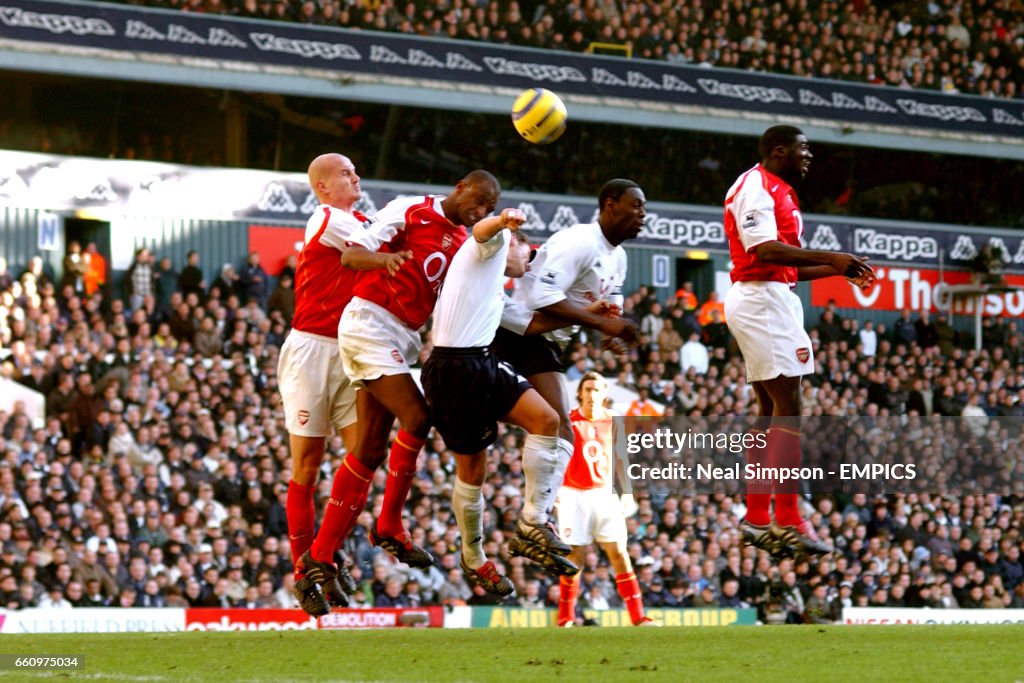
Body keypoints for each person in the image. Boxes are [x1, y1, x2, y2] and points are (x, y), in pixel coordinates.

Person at [298, 170, 502, 611]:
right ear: (461, 187)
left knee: (369, 450)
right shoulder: (410, 209)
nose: (480, 212)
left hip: (403, 338)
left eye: (489, 208)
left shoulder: (464, 242)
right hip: (369, 323)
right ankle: (389, 524)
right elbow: (352, 257)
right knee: (418, 416)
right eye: (479, 200)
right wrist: (384, 261)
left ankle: (318, 557)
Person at [421, 213, 594, 596]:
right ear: (511, 241)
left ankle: (533, 520)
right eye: (525, 249)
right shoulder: (490, 247)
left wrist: (593, 317)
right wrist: (500, 222)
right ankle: (473, 554)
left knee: (548, 420)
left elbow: (529, 325)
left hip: (482, 363)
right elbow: (480, 233)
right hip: (451, 369)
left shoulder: (497, 287)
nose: (530, 258)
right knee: (473, 470)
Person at [723, 125, 873, 557]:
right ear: (779, 150)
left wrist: (836, 269)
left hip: (768, 296)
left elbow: (782, 266)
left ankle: (756, 517)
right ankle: (787, 518)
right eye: (803, 148)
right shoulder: (756, 186)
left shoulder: (776, 188)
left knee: (770, 408)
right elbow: (765, 251)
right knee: (789, 408)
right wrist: (830, 256)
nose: (809, 155)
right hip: (761, 301)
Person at [278, 153, 410, 616]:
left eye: (356, 170)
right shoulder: (329, 218)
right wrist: (397, 255)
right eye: (345, 173)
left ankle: (325, 555)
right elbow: (367, 252)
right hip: (311, 350)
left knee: (366, 454)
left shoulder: (360, 218)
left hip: (352, 349)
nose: (356, 176)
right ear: (322, 187)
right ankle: (303, 571)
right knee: (307, 468)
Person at [491, 179, 644, 557]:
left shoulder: (618, 256)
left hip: (549, 343)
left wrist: (611, 327)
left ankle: (535, 522)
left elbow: (611, 296)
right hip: (519, 333)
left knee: (555, 427)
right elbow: (543, 299)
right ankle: (535, 522)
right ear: (610, 205)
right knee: (558, 425)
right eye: (635, 206)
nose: (642, 215)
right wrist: (603, 325)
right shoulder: (579, 241)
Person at [556, 372, 658, 627]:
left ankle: (638, 617)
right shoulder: (567, 421)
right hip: (572, 494)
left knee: (619, 554)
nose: (592, 394)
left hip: (604, 494)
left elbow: (621, 459)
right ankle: (565, 619)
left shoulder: (615, 421)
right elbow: (555, 459)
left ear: (605, 394)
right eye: (588, 389)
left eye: (597, 389)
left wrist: (627, 494)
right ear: (580, 393)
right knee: (574, 558)